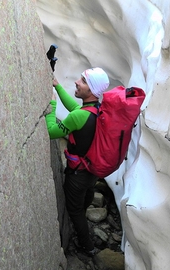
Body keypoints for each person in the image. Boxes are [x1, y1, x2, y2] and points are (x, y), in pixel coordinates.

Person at [44, 67, 110, 256]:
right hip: (91, 170)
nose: (76, 82)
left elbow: (51, 132)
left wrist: (52, 106)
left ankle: (87, 246)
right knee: (85, 196)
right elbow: (75, 108)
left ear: (91, 90)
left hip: (78, 174)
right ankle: (85, 208)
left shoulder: (80, 116)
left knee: (75, 212)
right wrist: (57, 86)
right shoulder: (96, 109)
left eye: (82, 81)